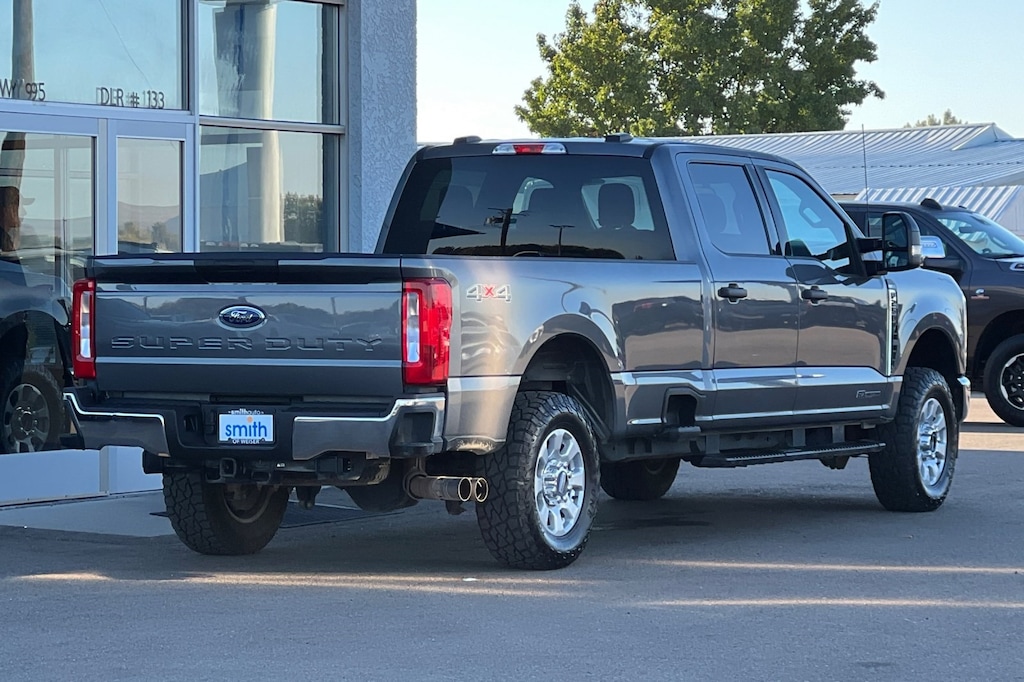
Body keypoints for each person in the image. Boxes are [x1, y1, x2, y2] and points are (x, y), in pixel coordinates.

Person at [0, 185, 31, 253]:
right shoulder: (3, 239)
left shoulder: (6, 238)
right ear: (5, 210)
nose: (24, 212)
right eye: (18, 207)